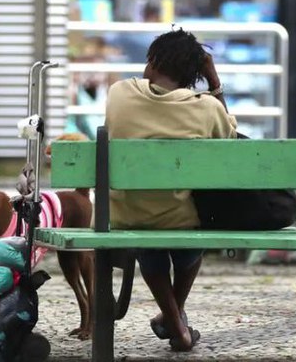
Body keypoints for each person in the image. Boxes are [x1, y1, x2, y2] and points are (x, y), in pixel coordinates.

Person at [104, 29, 237, 352]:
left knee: (150, 233)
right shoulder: (206, 108)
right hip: (182, 217)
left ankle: (174, 320)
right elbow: (233, 145)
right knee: (188, 230)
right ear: (193, 75)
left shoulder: (119, 93)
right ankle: (176, 322)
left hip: (127, 214)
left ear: (152, 61)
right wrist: (214, 80)